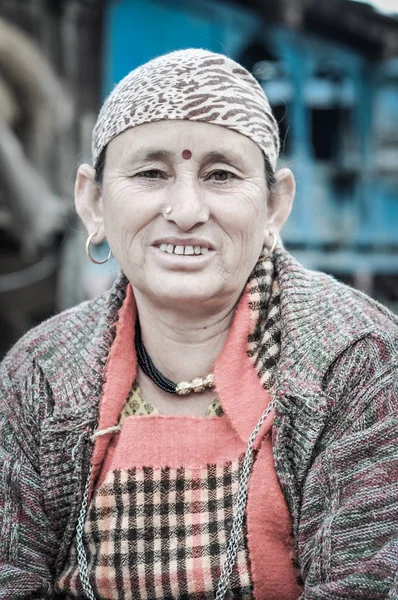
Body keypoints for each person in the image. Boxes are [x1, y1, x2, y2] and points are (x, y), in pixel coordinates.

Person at [0, 48, 397, 600]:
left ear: (276, 204)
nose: (186, 209)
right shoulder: (37, 372)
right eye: (150, 172)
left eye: (220, 174)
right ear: (91, 201)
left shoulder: (358, 361)